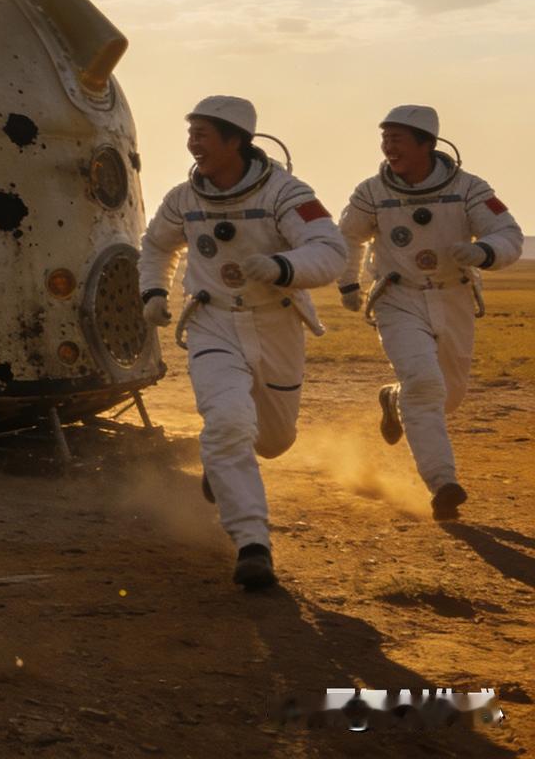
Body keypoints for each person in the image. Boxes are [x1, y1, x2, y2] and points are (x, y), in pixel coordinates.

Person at [139, 96, 346, 590]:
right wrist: (152, 290)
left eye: (203, 134)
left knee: (274, 441)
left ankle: (223, 465)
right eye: (190, 133)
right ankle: (253, 544)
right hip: (213, 322)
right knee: (227, 422)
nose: (193, 143)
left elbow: (331, 250)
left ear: (235, 140)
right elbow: (156, 245)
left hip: (276, 322)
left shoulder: (287, 193)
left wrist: (283, 267)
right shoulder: (182, 199)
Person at [336, 105, 522, 521]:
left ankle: (394, 398)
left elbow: (507, 233)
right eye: (384, 139)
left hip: (453, 297)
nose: (388, 148)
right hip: (398, 298)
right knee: (424, 383)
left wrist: (484, 252)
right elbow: (349, 237)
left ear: (426, 144)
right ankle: (443, 484)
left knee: (447, 396)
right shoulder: (371, 192)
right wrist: (348, 283)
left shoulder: (469, 188)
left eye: (397, 140)